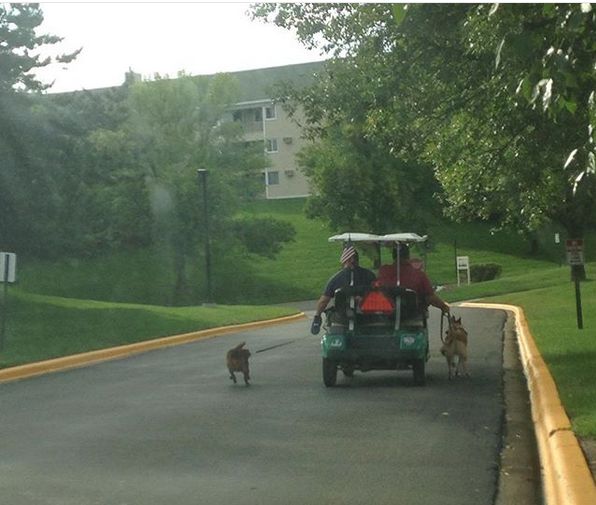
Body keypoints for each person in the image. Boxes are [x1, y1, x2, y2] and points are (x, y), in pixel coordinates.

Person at [310, 244, 376, 334]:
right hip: (369, 317)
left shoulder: (336, 279)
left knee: (331, 316)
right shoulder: (370, 275)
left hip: (342, 319)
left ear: (345, 259)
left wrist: (317, 316)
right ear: (357, 259)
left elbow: (324, 301)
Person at [377, 243, 449, 313]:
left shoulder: (383, 271)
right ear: (408, 256)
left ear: (393, 256)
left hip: (386, 313)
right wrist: (443, 306)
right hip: (412, 314)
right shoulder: (419, 275)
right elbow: (429, 297)